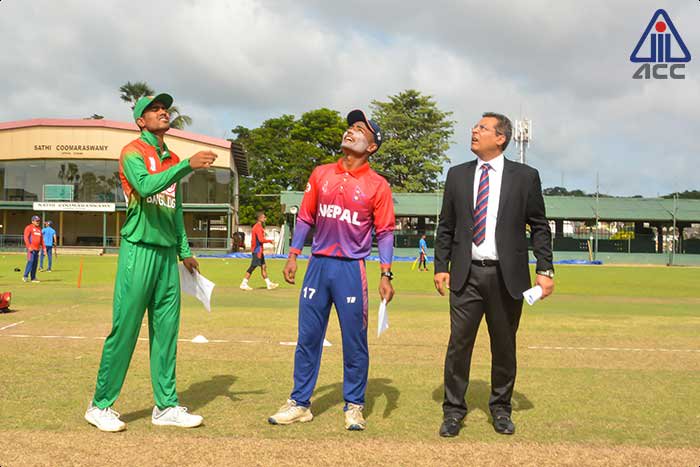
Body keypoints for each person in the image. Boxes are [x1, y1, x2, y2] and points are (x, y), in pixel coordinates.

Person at [84, 93, 217, 432]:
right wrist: (187, 165)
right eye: (154, 109)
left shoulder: (171, 157)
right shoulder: (132, 152)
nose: (162, 112)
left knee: (167, 332)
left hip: (166, 256)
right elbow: (143, 187)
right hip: (138, 249)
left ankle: (166, 406)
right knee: (125, 329)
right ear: (141, 121)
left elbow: (175, 208)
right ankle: (100, 405)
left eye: (165, 108)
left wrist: (184, 250)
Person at [268, 109, 395, 431]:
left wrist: (386, 273)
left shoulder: (377, 185)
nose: (350, 131)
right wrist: (294, 253)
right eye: (350, 126)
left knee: (355, 341)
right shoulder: (321, 174)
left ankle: (354, 405)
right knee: (307, 338)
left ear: (372, 147)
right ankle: (300, 403)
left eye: (359, 129)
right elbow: (306, 217)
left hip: (351, 270)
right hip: (318, 266)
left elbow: (385, 232)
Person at [434, 112, 554, 438]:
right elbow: (446, 225)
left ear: (500, 138)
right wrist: (440, 267)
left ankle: (501, 409)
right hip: (465, 275)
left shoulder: (525, 177)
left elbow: (540, 227)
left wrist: (545, 269)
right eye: (475, 126)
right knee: (459, 346)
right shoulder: (457, 175)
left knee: (504, 347)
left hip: (506, 277)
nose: (474, 130)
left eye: (483, 128)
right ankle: (453, 412)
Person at [240, 211, 279, 291]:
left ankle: (269, 284)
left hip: (259, 251)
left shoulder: (259, 227)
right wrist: (270, 241)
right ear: (260, 218)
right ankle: (244, 283)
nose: (265, 218)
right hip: (257, 251)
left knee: (263, 267)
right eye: (264, 217)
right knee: (252, 267)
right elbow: (261, 240)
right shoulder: (257, 227)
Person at [22, 215, 43, 283]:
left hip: (37, 249)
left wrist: (44, 248)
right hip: (31, 249)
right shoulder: (29, 227)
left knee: (35, 263)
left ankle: (33, 278)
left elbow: (42, 240)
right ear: (32, 221)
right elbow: (26, 237)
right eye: (36, 221)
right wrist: (29, 246)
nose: (38, 222)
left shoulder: (39, 229)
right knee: (30, 262)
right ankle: (25, 276)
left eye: (38, 221)